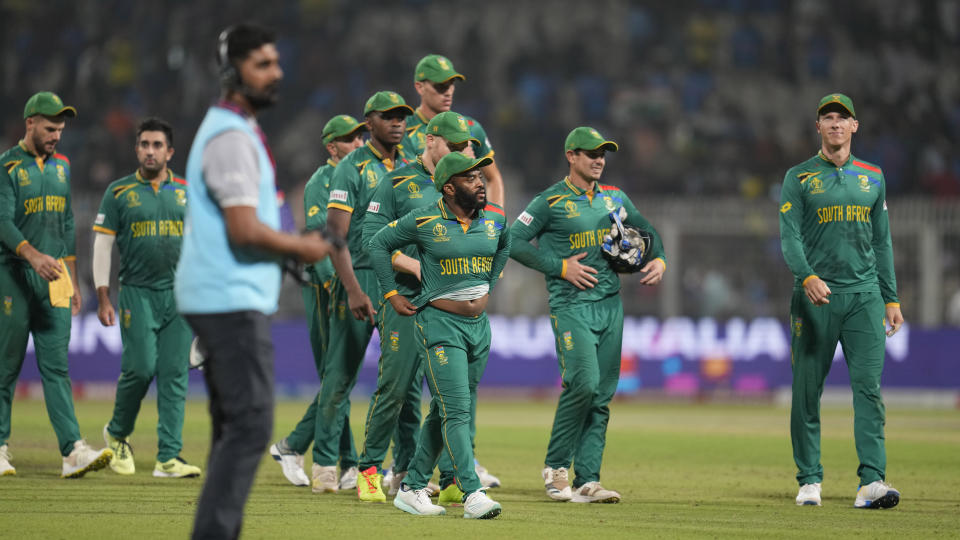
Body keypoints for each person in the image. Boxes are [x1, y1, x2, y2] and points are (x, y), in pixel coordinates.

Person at [174, 24, 333, 538]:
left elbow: (239, 225)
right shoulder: (231, 138)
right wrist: (302, 248)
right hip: (228, 300)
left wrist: (287, 254)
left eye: (276, 61)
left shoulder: (235, 131)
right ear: (230, 70)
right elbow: (244, 230)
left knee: (231, 431)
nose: (275, 72)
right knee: (250, 428)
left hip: (225, 293)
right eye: (262, 64)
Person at [509, 127, 665, 503]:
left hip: (611, 306)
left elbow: (647, 231)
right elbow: (511, 240)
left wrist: (659, 258)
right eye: (591, 153)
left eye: (603, 154)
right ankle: (555, 467)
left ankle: (588, 480)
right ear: (571, 155)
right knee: (584, 382)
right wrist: (559, 267)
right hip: (572, 306)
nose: (599, 159)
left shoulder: (614, 198)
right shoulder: (550, 201)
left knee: (602, 394)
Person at [369, 151, 510, 519]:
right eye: (470, 178)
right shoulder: (424, 218)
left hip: (479, 328)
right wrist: (392, 293)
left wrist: (488, 286)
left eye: (481, 176)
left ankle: (412, 487)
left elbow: (506, 243)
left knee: (444, 411)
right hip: (439, 325)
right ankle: (471, 492)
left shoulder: (494, 218)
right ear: (449, 187)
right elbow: (377, 243)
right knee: (458, 410)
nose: (480, 182)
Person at [779, 93, 903, 509]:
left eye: (842, 118)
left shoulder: (873, 176)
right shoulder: (798, 177)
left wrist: (891, 297)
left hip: (865, 297)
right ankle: (810, 480)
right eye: (827, 118)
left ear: (855, 126)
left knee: (869, 391)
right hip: (815, 297)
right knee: (806, 391)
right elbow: (789, 237)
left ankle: (872, 483)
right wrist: (807, 275)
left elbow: (882, 241)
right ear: (818, 127)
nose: (835, 124)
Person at [356, 111, 480, 504]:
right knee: (395, 388)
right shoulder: (397, 182)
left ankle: (450, 477)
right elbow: (369, 237)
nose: (462, 152)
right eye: (454, 145)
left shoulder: (464, 184)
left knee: (452, 397)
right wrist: (411, 264)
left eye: (466, 146)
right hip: (408, 299)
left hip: (452, 305)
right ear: (429, 140)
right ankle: (370, 472)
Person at [0, 91, 113, 478]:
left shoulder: (63, 165)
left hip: (54, 279)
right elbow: (2, 222)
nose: (56, 136)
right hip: (13, 275)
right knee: (6, 366)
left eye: (61, 129)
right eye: (50, 128)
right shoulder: (8, 166)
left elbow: (66, 223)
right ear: (29, 123)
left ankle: (71, 451)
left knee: (57, 368)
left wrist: (71, 275)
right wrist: (32, 256)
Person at [310, 91, 413, 493]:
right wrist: (352, 290)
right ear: (368, 123)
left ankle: (404, 470)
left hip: (401, 280)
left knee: (403, 379)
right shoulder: (350, 168)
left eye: (402, 116)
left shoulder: (409, 167)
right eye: (388, 116)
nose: (398, 122)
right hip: (360, 278)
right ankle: (324, 466)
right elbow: (335, 236)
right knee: (340, 375)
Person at [93, 117, 201, 479]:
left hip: (180, 296)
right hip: (136, 294)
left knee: (174, 375)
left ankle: (168, 458)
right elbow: (103, 245)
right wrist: (103, 294)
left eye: (157, 145)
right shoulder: (120, 192)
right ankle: (118, 435)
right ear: (136, 149)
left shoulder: (188, 191)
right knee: (139, 369)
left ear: (170, 152)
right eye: (144, 144)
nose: (150, 151)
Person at [269, 114, 366, 488]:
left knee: (338, 378)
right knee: (337, 378)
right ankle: (322, 456)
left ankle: (328, 456)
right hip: (328, 291)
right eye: (350, 139)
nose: (358, 143)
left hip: (351, 284)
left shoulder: (359, 175)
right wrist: (335, 288)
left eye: (360, 137)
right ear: (332, 146)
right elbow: (321, 241)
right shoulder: (320, 182)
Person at [404, 54, 506, 209]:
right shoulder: (402, 130)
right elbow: (400, 182)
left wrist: (495, 223)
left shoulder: (471, 127)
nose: (448, 92)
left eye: (451, 84)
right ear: (420, 87)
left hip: (462, 225)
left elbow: (493, 179)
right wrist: (459, 163)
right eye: (440, 86)